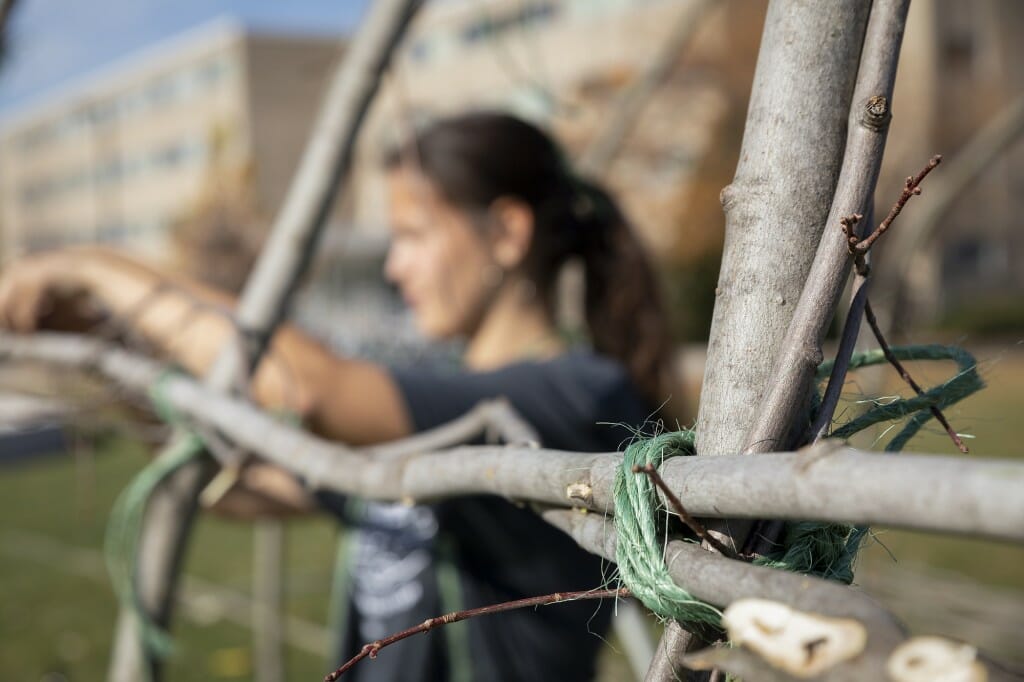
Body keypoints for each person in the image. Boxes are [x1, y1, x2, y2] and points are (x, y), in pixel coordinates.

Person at [0, 111, 678, 680]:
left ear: (505, 233)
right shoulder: (436, 395)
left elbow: (306, 388)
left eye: (412, 236)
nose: (393, 266)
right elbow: (247, 488)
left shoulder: (572, 393)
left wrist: (93, 266)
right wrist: (106, 349)